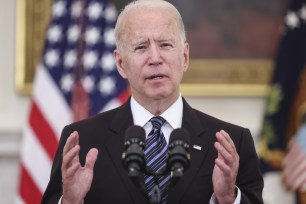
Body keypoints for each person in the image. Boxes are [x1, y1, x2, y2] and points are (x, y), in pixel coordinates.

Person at [41, 0, 264, 203]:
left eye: (165, 45)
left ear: (184, 57)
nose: (155, 58)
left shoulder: (231, 143)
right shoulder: (83, 141)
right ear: (120, 63)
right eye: (141, 47)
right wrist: (70, 202)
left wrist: (229, 198)